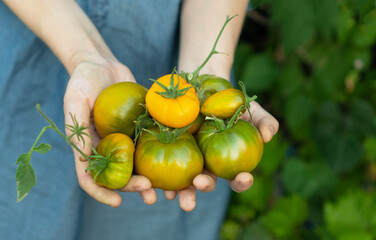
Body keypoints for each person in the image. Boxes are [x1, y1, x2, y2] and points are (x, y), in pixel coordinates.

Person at [0, 0, 279, 239]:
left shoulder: (200, 112)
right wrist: (83, 54)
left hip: (176, 66)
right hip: (38, 33)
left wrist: (205, 75)